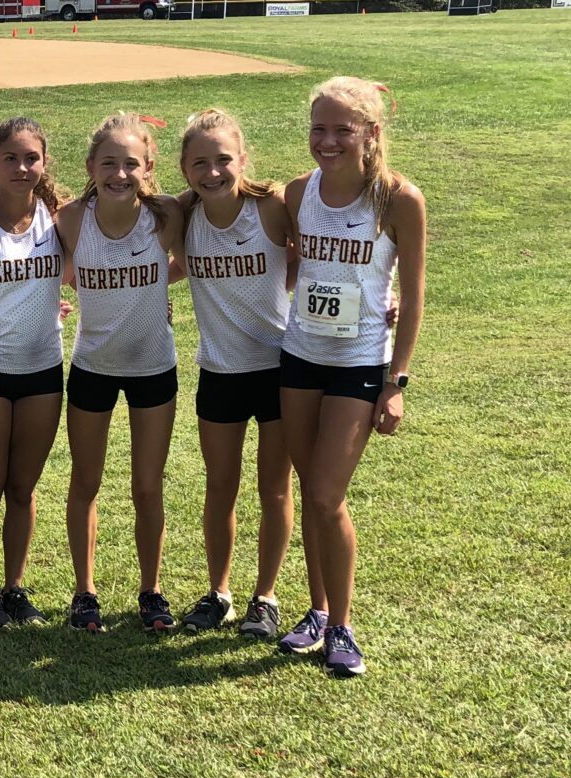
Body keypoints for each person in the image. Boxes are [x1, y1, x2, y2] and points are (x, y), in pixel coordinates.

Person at [277, 78, 425, 677]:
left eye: (343, 129)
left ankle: (341, 624)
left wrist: (398, 381)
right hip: (299, 357)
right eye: (319, 128)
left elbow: (413, 298)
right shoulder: (296, 192)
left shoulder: (397, 199)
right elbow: (290, 264)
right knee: (309, 486)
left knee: (325, 494)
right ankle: (314, 611)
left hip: (360, 362)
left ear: (371, 132)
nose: (328, 140)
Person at [56, 112, 184, 633]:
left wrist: (156, 287)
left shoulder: (167, 214)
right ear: (90, 165)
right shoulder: (69, 219)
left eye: (131, 163)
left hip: (154, 366)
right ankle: (85, 593)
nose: (119, 173)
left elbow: (195, 255)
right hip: (93, 367)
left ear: (148, 166)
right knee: (85, 481)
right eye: (108, 163)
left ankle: (151, 590)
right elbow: (56, 270)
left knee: (147, 486)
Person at [174, 107, 297, 640]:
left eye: (223, 159)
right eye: (199, 162)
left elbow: (323, 250)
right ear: (183, 168)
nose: (213, 172)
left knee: (274, 488)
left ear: (242, 159)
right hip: (219, 372)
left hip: (279, 369)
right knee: (219, 486)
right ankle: (219, 592)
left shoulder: (271, 207)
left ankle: (264, 597)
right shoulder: (181, 214)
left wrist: (378, 299)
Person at [0, 116, 68, 630]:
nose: (22, 167)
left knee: (22, 489)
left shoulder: (61, 219)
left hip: (45, 369)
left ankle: (15, 587)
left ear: (44, 163)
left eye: (31, 158)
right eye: (11, 158)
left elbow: (102, 257)